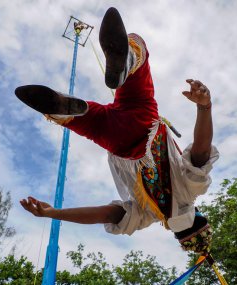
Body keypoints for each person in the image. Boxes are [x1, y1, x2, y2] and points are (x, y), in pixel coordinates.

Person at [17, 7, 219, 253]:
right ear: (173, 231)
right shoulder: (145, 216)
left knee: (139, 55)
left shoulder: (191, 190)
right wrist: (54, 213)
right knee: (87, 120)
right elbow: (105, 214)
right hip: (116, 143)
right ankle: (62, 111)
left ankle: (128, 62)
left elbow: (201, 151)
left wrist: (205, 107)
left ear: (198, 214)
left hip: (143, 123)